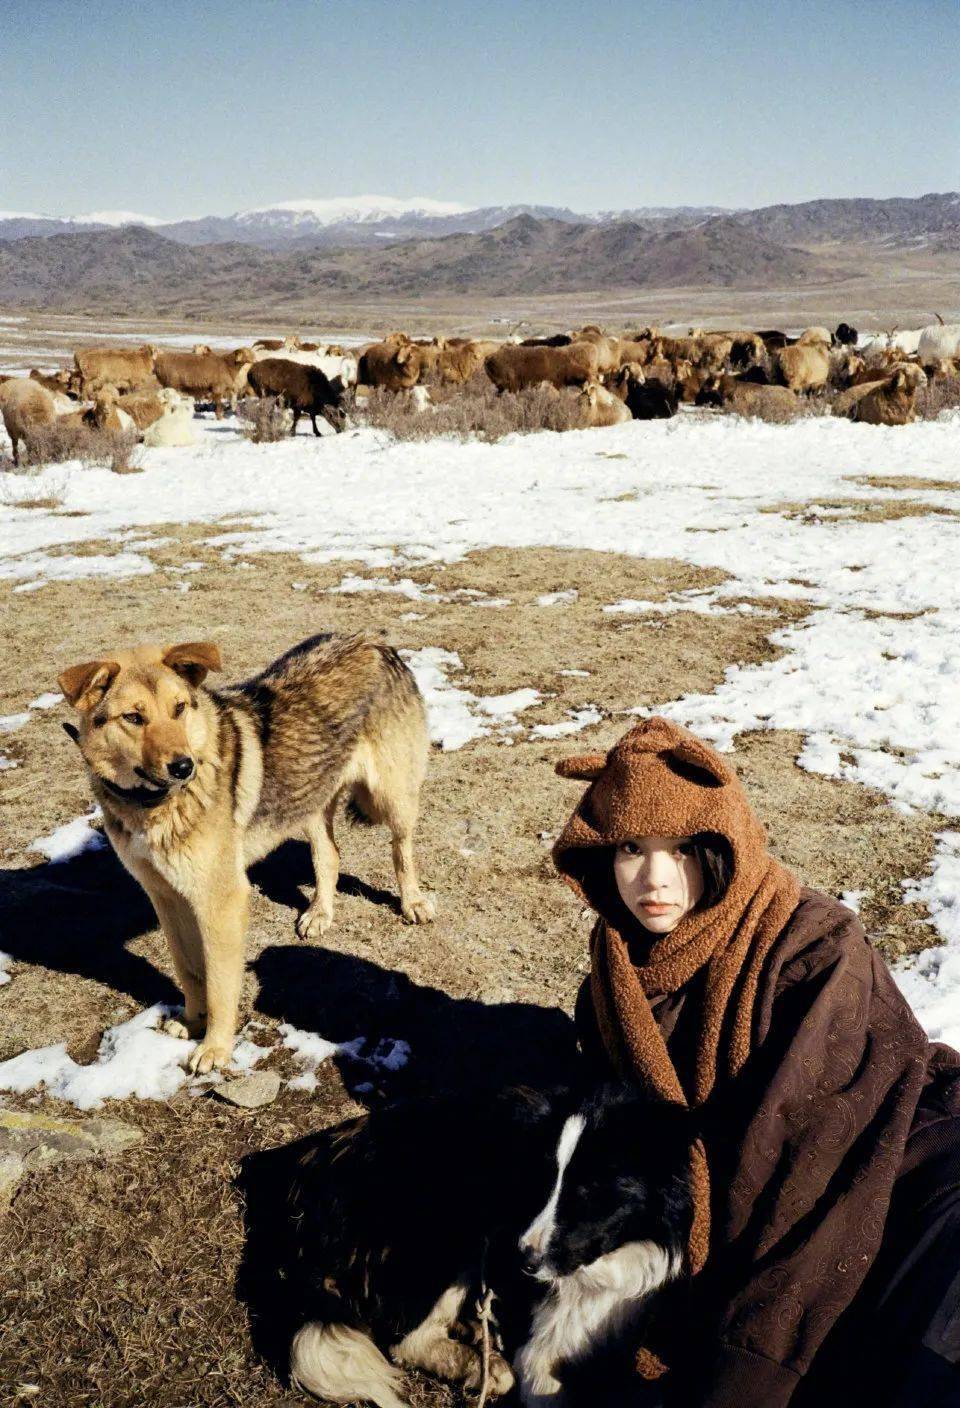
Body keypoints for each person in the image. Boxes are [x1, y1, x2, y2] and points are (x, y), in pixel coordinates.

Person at [552, 716, 960, 1408]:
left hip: (908, 1167)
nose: (655, 878)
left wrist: (749, 1367)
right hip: (781, 1223)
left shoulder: (816, 948)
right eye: (631, 848)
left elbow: (813, 1159)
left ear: (722, 845)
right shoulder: (611, 989)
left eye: (682, 849)